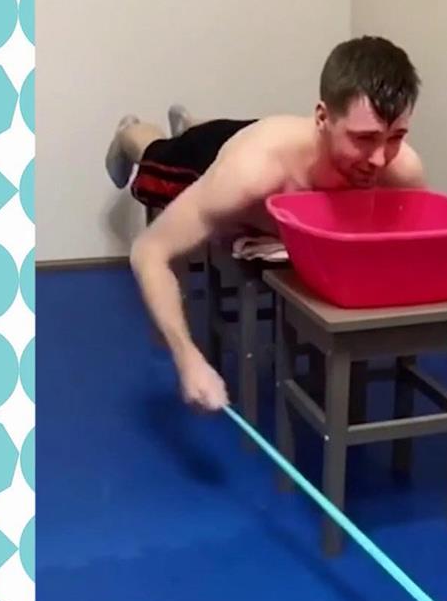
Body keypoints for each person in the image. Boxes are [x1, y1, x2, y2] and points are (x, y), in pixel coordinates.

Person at [105, 36, 427, 413]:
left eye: (395, 137)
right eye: (364, 139)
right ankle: (131, 132)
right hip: (213, 156)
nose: (379, 159)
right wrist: (186, 356)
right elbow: (148, 250)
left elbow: (413, 249)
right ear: (322, 118)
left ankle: (191, 122)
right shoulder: (250, 173)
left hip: (262, 138)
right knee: (157, 155)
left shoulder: (401, 167)